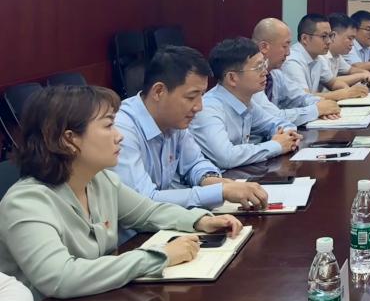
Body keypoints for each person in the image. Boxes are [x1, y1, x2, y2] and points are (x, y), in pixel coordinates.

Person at [0, 85, 241, 300]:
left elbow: (148, 212)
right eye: (108, 126)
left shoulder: (99, 180)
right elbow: (60, 278)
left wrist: (200, 220)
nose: (119, 136)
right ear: (69, 140)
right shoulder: (25, 203)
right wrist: (159, 256)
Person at [114, 45, 268, 211]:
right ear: (158, 92)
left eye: (201, 95)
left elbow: (195, 163)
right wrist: (220, 192)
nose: (199, 107)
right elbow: (143, 201)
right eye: (191, 97)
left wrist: (213, 181)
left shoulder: (174, 120)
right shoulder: (121, 130)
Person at [191, 38, 303, 169]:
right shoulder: (208, 109)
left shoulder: (245, 102)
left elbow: (279, 123)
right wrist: (276, 145)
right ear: (232, 78)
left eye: (264, 64)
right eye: (258, 67)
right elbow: (226, 157)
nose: (265, 72)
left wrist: (287, 136)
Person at [251, 17, 339, 126]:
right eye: (285, 46)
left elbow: (300, 97)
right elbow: (271, 117)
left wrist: (322, 104)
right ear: (264, 47)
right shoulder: (249, 76)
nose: (288, 53)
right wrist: (316, 110)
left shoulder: (275, 74)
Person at [276, 13, 370, 105]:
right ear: (305, 38)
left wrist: (349, 91)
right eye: (324, 36)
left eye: (330, 36)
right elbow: (303, 98)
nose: (329, 41)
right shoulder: (292, 61)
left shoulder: (318, 57)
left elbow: (333, 83)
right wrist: (342, 94)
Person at [319, 13, 370, 87]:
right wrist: (363, 76)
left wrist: (366, 73)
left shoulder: (337, 55)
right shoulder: (321, 56)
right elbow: (332, 81)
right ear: (333, 36)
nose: (352, 44)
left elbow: (350, 70)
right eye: (350, 38)